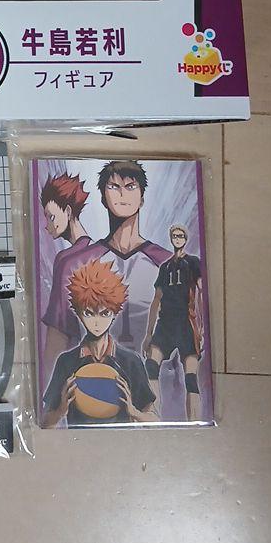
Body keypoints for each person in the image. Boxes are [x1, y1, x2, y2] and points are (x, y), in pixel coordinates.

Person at [41, 160, 171, 373]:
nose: (122, 194)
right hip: (92, 379)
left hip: (157, 380)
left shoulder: (166, 262)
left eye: (130, 186)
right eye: (114, 187)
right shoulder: (74, 264)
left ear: (142, 198)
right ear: (103, 198)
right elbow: (56, 345)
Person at [43, 259, 157, 427]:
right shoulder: (66, 361)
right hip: (79, 441)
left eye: (104, 313)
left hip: (123, 440)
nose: (96, 322)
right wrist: (60, 411)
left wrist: (134, 412)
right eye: (89, 313)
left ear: (115, 313)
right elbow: (44, 423)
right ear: (78, 312)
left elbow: (156, 420)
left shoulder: (131, 361)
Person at [144, 224, 205, 421]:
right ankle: (154, 416)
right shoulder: (165, 267)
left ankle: (194, 423)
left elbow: (201, 293)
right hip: (166, 324)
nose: (178, 238)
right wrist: (148, 333)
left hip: (186, 323)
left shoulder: (193, 262)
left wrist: (202, 326)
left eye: (181, 235)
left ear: (185, 239)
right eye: (175, 235)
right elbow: (156, 299)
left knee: (191, 377)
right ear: (171, 238)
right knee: (151, 366)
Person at [40, 171, 91, 247]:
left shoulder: (72, 253)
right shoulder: (97, 247)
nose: (47, 227)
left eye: (51, 217)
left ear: (68, 211)